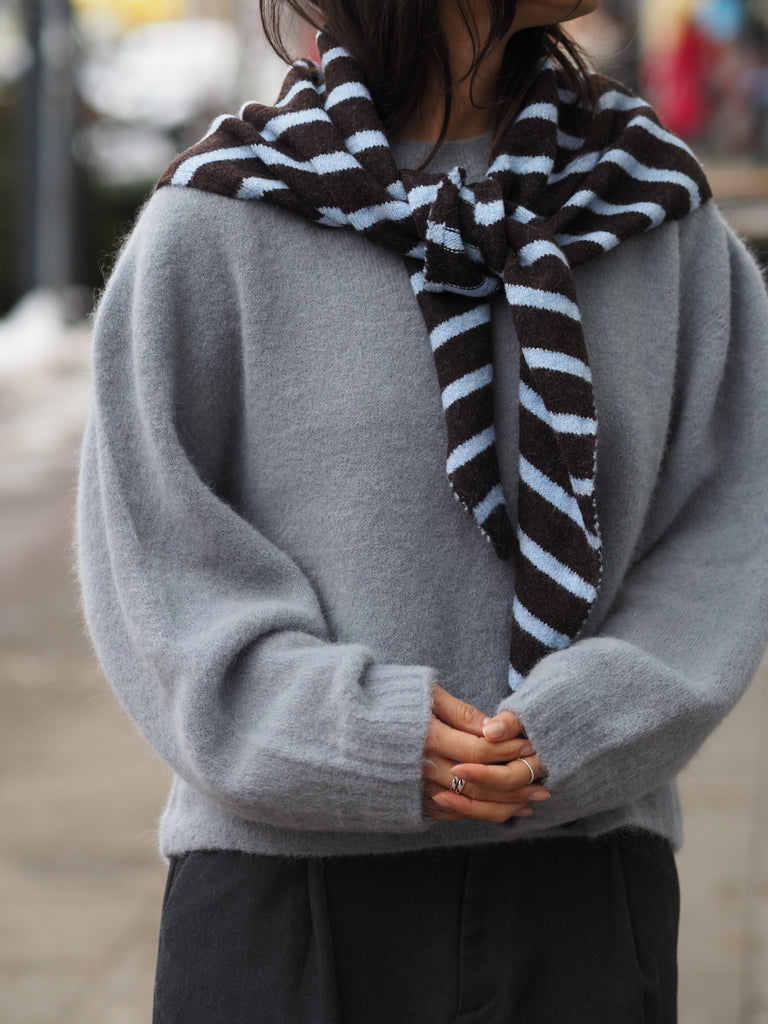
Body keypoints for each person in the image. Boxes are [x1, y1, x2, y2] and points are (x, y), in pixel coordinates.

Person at [76, 1, 768, 1021]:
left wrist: (587, 723)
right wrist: (353, 735)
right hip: (284, 904)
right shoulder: (222, 216)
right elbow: (157, 565)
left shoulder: (655, 212)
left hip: (583, 894)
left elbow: (729, 529)